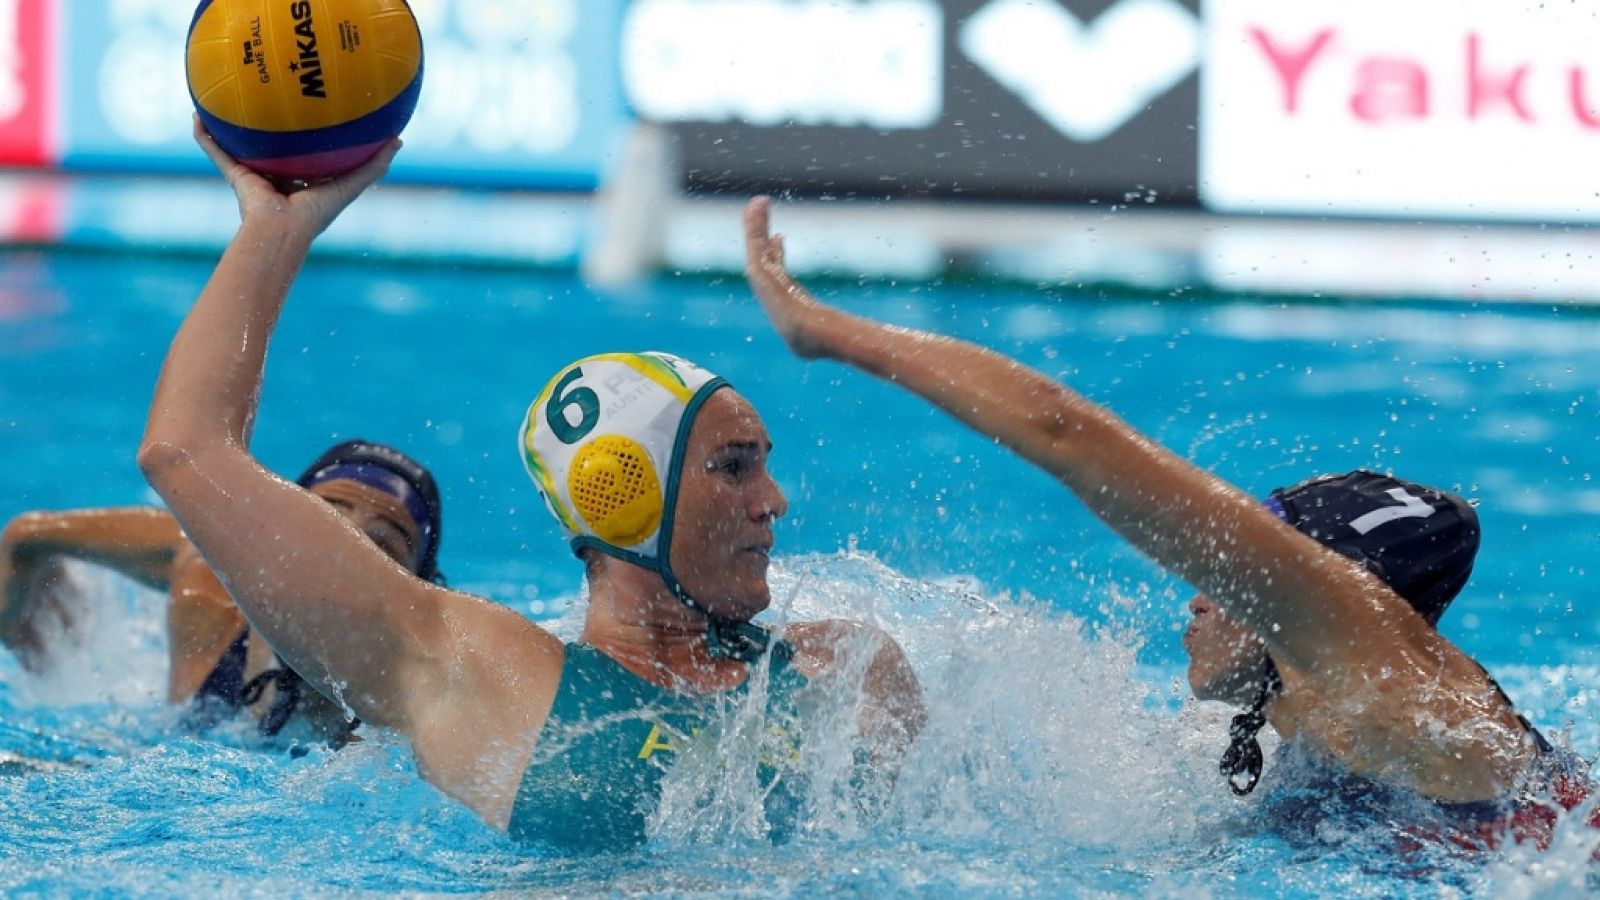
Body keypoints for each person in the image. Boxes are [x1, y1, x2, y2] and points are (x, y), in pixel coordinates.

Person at [135, 125, 923, 849]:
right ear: (625, 497)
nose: (773, 499)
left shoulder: (845, 669)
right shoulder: (482, 674)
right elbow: (185, 451)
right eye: (734, 467)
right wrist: (275, 231)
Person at [741, 196, 1595, 850]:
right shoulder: (1343, 723)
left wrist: (823, 330)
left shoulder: (1378, 668)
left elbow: (1065, 431)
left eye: (1247, 566)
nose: (1202, 591)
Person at [1, 439, 444, 746]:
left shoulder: (423, 700)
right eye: (323, 521)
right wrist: (49, 663)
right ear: (270, 538)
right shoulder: (210, 590)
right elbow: (26, 536)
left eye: (382, 544)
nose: (343, 554)